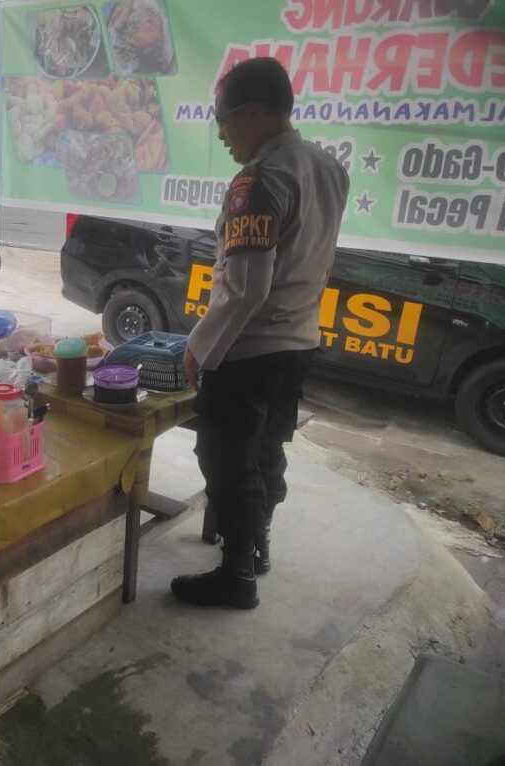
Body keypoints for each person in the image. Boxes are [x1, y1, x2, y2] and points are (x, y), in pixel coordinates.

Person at [170, 58, 349, 610]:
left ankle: (236, 576)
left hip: (250, 349)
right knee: (267, 450)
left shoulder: (260, 179)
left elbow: (246, 287)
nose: (222, 135)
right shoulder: (327, 166)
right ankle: (258, 547)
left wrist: (199, 347)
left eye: (223, 120)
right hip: (298, 342)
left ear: (254, 113)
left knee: (227, 459)